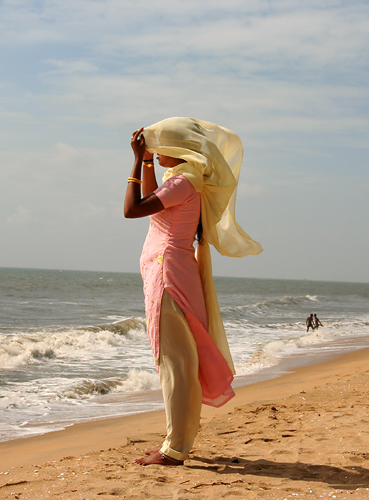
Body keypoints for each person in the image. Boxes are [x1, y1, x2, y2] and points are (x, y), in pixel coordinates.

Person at [124, 117, 262, 466]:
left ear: (177, 150)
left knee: (176, 364)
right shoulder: (183, 180)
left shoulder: (182, 183)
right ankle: (175, 440)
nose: (155, 150)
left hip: (168, 276)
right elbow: (153, 198)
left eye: (159, 146)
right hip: (170, 272)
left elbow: (132, 210)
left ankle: (175, 449)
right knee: (177, 362)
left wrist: (135, 164)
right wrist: (146, 162)